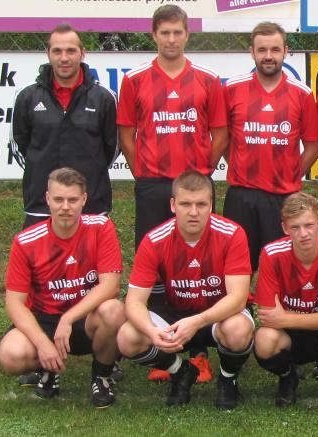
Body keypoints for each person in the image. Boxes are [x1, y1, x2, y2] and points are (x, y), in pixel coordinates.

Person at [117, 4, 226, 384]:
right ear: (154, 36)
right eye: (164, 33)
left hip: (195, 187)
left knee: (202, 267)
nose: (172, 39)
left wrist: (201, 174)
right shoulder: (134, 80)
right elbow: (127, 134)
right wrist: (143, 172)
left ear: (187, 34)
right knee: (159, 268)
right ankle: (166, 349)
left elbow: (221, 133)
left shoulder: (208, 80)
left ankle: (200, 353)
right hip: (153, 185)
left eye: (178, 32)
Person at [116, 171, 253, 410]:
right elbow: (134, 301)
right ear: (172, 205)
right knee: (128, 337)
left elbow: (239, 298)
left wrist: (197, 322)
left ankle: (228, 379)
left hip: (216, 315)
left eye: (201, 204)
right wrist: (150, 330)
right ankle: (180, 372)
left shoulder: (232, 234)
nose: (193, 212)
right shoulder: (154, 240)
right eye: (185, 204)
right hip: (174, 315)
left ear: (211, 205)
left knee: (237, 330)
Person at [0, 167, 125, 408]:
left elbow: (111, 285)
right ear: (47, 199)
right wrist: (43, 343)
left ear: (84, 200)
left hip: (84, 320)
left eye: (73, 199)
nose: (65, 206)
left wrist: (68, 318)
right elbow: (14, 303)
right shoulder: (26, 241)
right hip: (44, 320)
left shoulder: (101, 227)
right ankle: (48, 368)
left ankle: (101, 376)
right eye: (58, 199)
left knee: (114, 310)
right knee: (10, 355)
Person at [223, 22, 318, 271]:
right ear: (251, 52)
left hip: (283, 196)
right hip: (242, 194)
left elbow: (312, 144)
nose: (269, 56)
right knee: (238, 265)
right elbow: (224, 138)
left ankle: (280, 310)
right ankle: (240, 310)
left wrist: (292, 173)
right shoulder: (232, 89)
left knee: (282, 267)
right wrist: (238, 162)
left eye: (275, 50)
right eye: (262, 50)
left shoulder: (301, 93)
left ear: (285, 51)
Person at [253, 192, 318, 407]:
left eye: (309, 225)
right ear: (284, 228)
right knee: (264, 340)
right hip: (290, 336)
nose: (303, 234)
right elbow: (268, 317)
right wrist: (283, 321)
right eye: (295, 227)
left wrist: (286, 319)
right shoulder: (271, 254)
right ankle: (287, 376)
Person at [12, 24, 118, 229]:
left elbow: (112, 148)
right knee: (41, 262)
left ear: (82, 53)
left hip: (91, 203)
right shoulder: (27, 96)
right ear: (48, 54)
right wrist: (41, 171)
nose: (64, 58)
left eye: (71, 50)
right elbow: (20, 145)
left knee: (91, 262)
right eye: (57, 51)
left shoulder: (104, 97)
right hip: (41, 205)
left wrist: (90, 172)